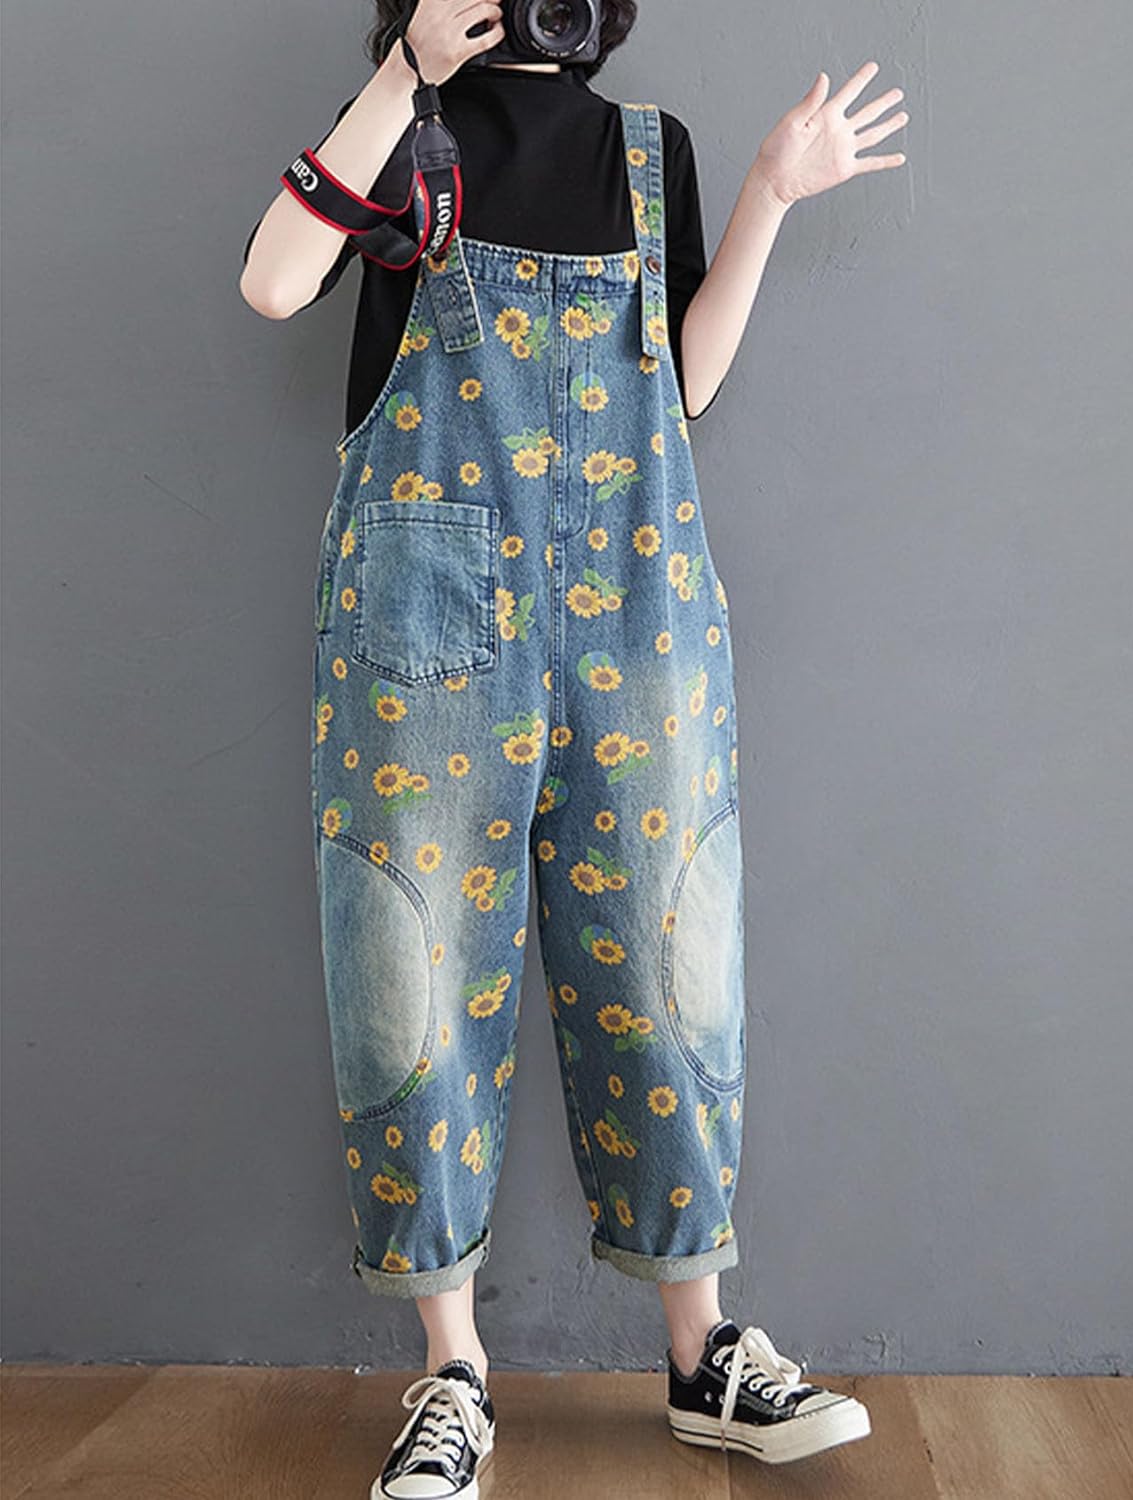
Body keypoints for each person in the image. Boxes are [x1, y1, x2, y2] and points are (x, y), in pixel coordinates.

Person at [240, 3, 907, 1495]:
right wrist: (406, 69)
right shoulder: (403, 133)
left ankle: (702, 1352)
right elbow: (274, 282)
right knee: (411, 981)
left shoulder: (648, 154)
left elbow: (683, 386)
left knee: (671, 969)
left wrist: (767, 194)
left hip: (640, 617)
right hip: (426, 628)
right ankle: (451, 1373)